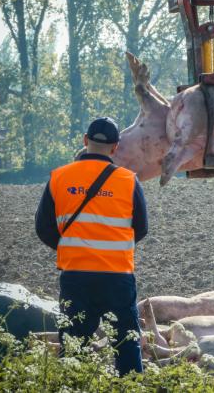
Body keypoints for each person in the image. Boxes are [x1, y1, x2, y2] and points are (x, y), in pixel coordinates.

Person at [35, 116, 148, 376]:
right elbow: (141, 228)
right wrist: (113, 247)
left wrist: (74, 248)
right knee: (126, 344)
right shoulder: (128, 181)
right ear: (115, 146)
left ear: (85, 141)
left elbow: (43, 228)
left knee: (74, 349)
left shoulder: (59, 177)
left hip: (76, 277)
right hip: (117, 277)